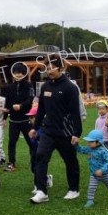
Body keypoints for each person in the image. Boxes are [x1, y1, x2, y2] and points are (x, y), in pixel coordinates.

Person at [29, 55, 82, 204]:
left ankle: (73, 189)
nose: (49, 70)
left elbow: (75, 112)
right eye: (47, 68)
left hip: (65, 132)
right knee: (40, 157)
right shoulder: (45, 87)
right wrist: (35, 127)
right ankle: (41, 191)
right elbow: (41, 110)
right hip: (47, 131)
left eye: (52, 67)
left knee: (70, 161)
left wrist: (76, 133)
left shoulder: (70, 88)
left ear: (61, 68)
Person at [76, 130, 108, 208]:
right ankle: (90, 201)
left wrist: (102, 170)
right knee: (91, 187)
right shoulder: (89, 149)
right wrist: (76, 144)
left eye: (91, 142)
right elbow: (81, 150)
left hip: (105, 175)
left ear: (98, 142)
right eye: (89, 141)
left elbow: (107, 162)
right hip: (94, 174)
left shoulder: (103, 151)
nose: (89, 143)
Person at [4, 63, 34, 172]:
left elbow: (30, 99)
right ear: (13, 74)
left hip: (26, 119)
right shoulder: (9, 87)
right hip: (13, 120)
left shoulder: (29, 85)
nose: (18, 75)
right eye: (16, 73)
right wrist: (4, 118)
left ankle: (34, 160)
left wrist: (21, 106)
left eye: (21, 73)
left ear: (24, 74)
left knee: (31, 142)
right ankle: (11, 163)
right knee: (12, 142)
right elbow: (7, 104)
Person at [26, 104, 54, 194]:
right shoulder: (32, 128)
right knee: (33, 169)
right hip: (34, 151)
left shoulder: (44, 128)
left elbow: (44, 138)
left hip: (42, 151)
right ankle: (46, 178)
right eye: (30, 117)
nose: (30, 119)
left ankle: (37, 186)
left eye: (32, 117)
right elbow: (31, 141)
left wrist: (37, 136)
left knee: (38, 167)